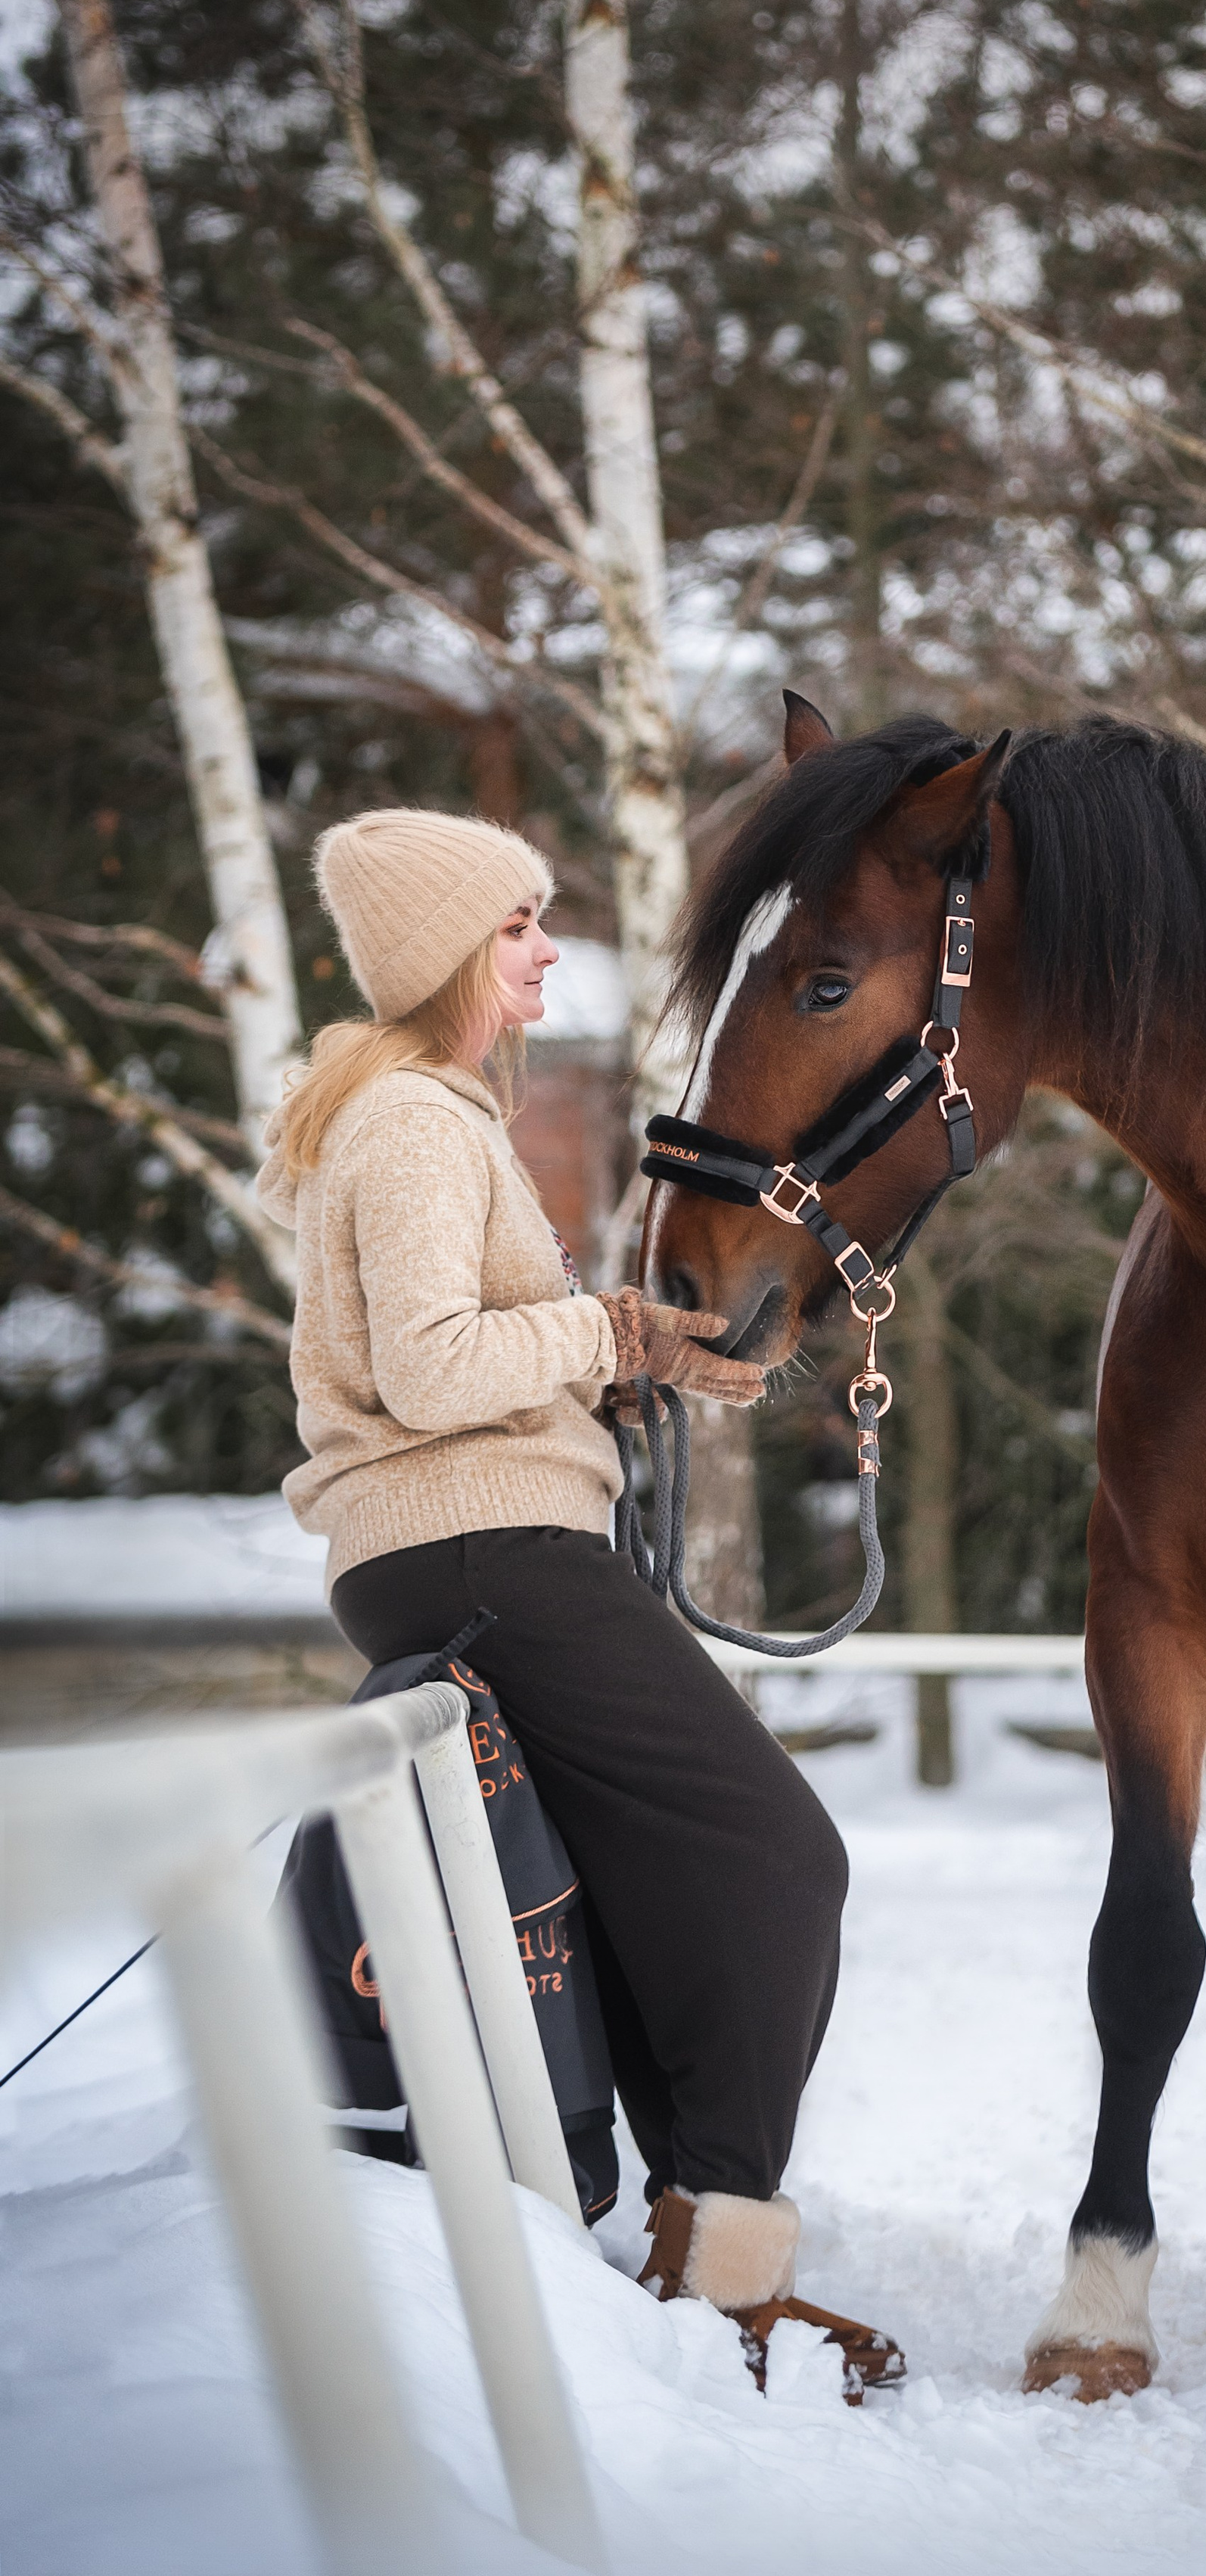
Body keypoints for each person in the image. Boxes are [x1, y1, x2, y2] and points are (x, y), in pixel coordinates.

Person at [256, 806, 900, 2396]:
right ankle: (721, 2264)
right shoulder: (414, 1121)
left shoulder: (420, 1113)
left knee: (641, 1892)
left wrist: (647, 1358)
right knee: (774, 1859)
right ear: (450, 956)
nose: (547, 948)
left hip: (466, 1548)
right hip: (483, 1556)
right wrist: (602, 1328)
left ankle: (690, 2256)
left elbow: (480, 1356)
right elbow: (427, 1366)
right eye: (520, 923)